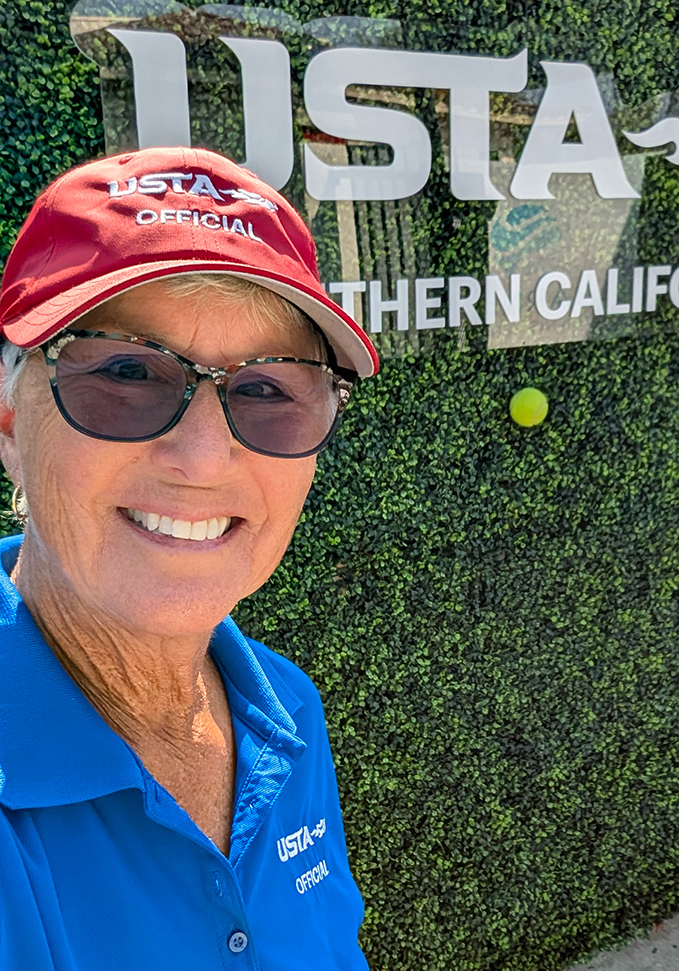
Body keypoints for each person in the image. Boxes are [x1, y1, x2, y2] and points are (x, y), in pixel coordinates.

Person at [0, 146, 378, 970]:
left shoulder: (284, 712)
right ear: (8, 422)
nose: (204, 457)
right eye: (127, 371)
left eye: (270, 390)